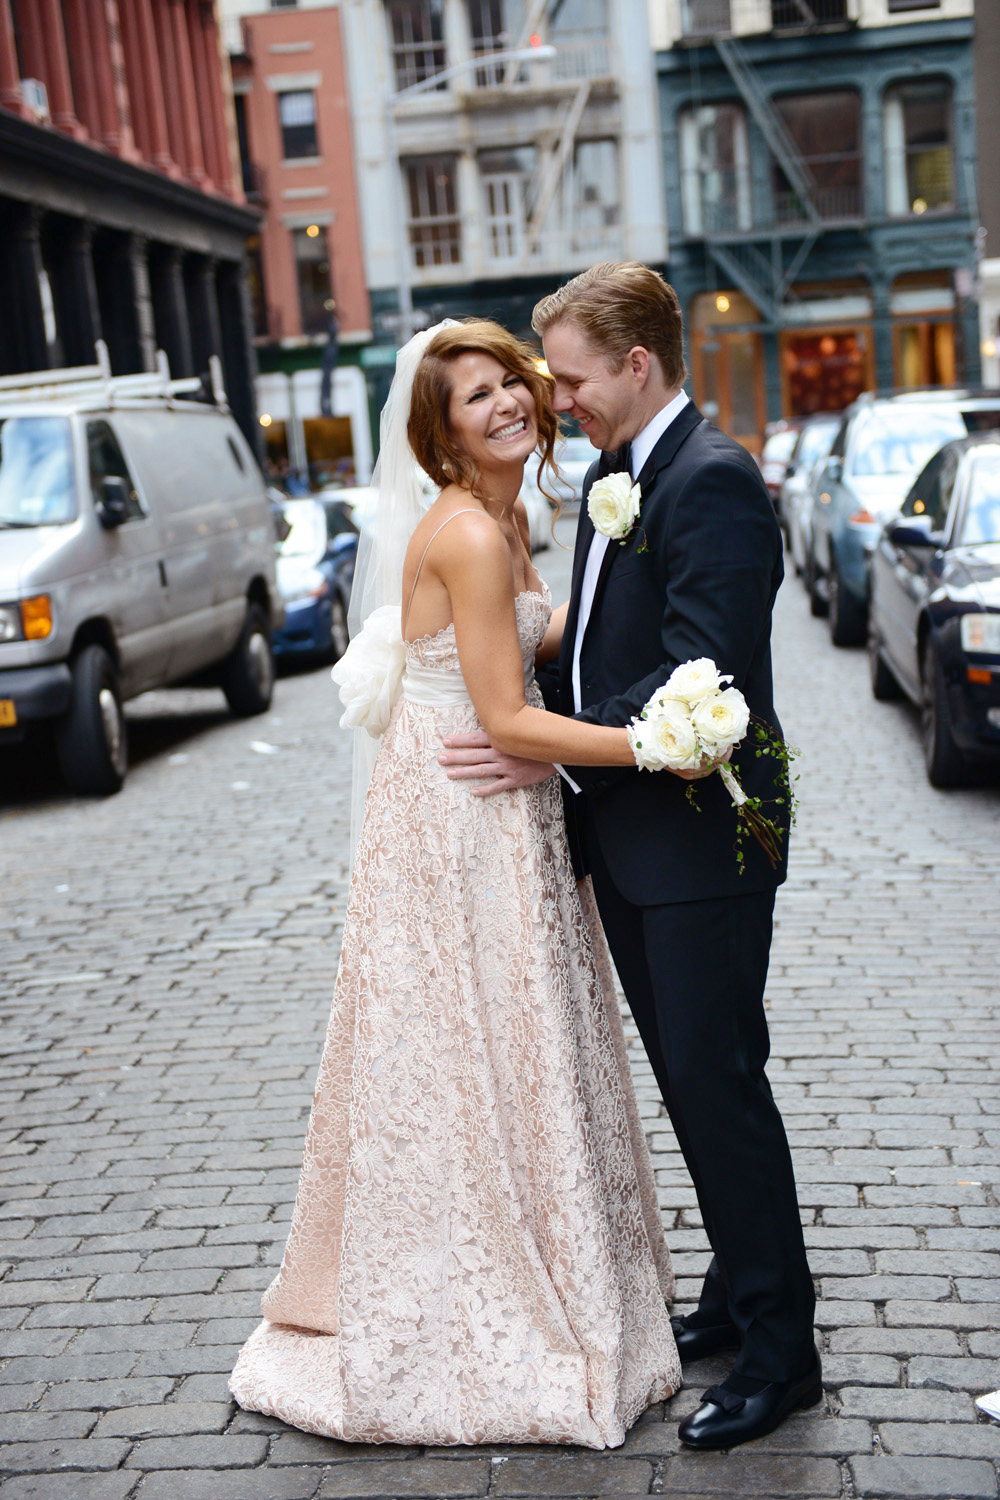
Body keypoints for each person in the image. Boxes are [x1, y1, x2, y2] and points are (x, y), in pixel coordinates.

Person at [229, 318, 681, 1448]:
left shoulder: (509, 517)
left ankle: (556, 1263)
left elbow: (544, 644)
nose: (502, 407)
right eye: (471, 398)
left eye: (507, 386)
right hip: (465, 815)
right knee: (475, 1042)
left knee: (512, 1037)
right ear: (438, 434)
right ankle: (485, 1299)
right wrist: (664, 741)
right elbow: (504, 717)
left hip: (499, 805)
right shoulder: (471, 539)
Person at [440, 264, 819, 1450]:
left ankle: (780, 1354)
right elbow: (607, 653)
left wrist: (552, 749)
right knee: (690, 1085)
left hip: (703, 848)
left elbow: (706, 678)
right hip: (635, 844)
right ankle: (731, 1290)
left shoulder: (710, 482)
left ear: (637, 366)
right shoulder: (616, 476)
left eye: (574, 374)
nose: (559, 397)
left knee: (720, 1088)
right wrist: (517, 710)